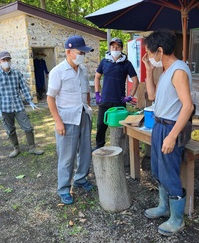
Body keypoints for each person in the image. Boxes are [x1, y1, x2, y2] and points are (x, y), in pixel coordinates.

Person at [142, 30, 194, 236]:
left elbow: (188, 107)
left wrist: (172, 135)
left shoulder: (179, 71)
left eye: (150, 53)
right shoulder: (166, 70)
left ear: (160, 51)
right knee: (157, 169)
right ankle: (164, 208)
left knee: (169, 172)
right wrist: (148, 70)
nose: (150, 57)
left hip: (171, 127)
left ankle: (177, 219)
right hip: (159, 125)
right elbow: (152, 96)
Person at [47, 35, 94, 205]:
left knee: (85, 151)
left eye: (84, 52)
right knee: (67, 157)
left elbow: (87, 92)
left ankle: (81, 179)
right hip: (66, 119)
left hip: (83, 115)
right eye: (80, 52)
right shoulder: (57, 72)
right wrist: (58, 122)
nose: (83, 55)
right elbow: (50, 98)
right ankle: (64, 189)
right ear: (68, 52)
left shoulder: (82, 70)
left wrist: (88, 109)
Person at [93, 37, 139, 150]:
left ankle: (122, 148)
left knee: (120, 128)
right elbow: (97, 77)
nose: (115, 48)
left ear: (121, 48)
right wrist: (97, 94)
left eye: (118, 47)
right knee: (100, 125)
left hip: (119, 101)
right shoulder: (104, 62)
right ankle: (99, 146)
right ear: (110, 48)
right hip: (105, 100)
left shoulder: (126, 64)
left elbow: (135, 80)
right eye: (113, 46)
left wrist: (130, 96)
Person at [0, 51, 44, 158]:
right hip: (5, 108)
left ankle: (32, 148)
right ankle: (16, 148)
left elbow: (24, 88)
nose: (6, 62)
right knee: (10, 130)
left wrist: (30, 101)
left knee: (28, 127)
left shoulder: (17, 74)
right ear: (0, 61)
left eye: (8, 60)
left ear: (10, 61)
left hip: (18, 106)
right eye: (3, 60)